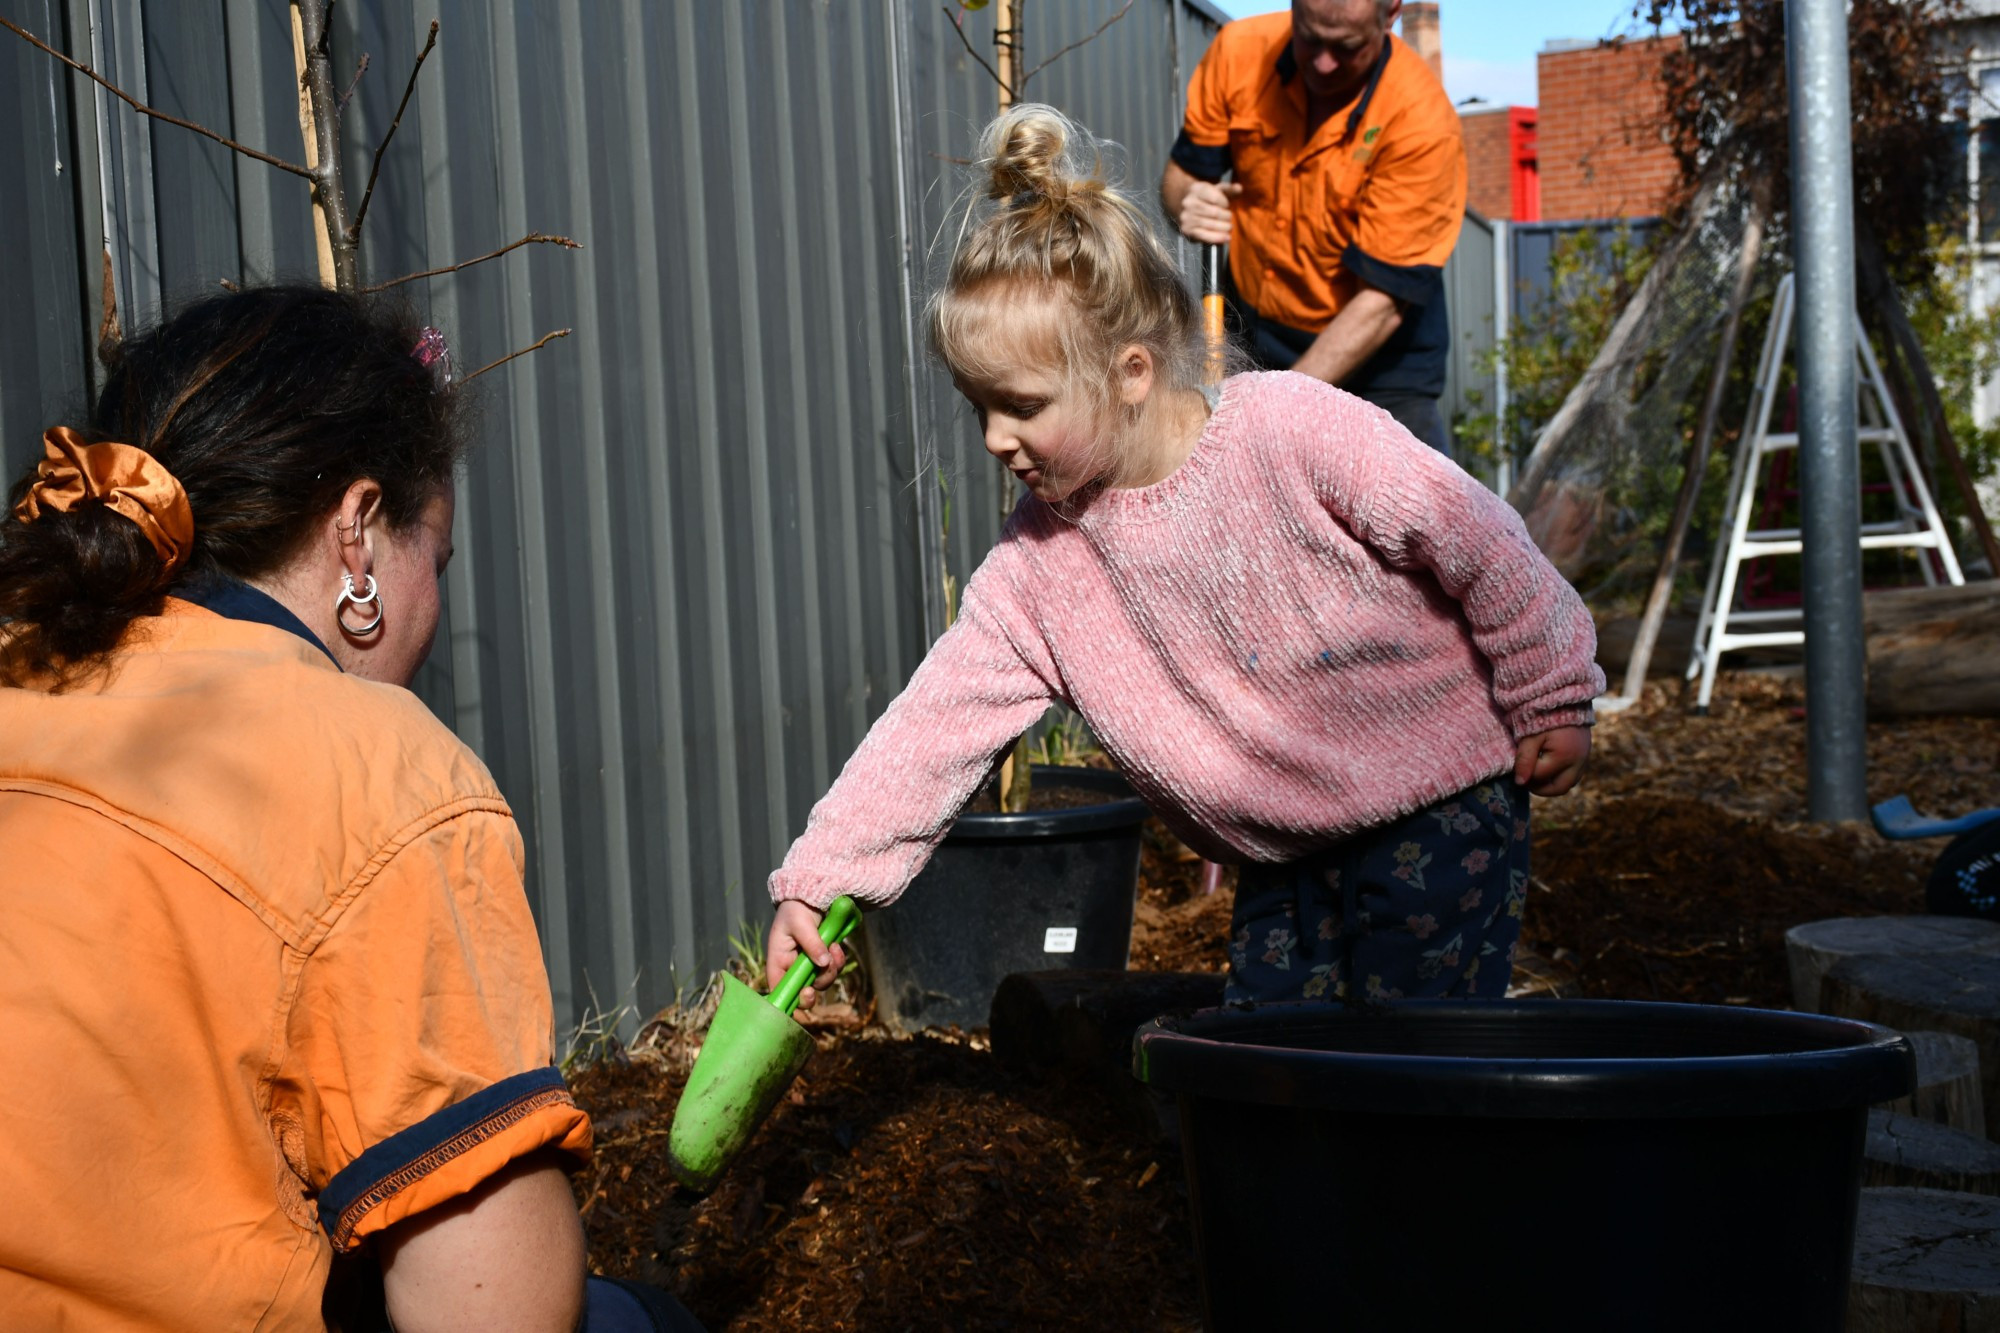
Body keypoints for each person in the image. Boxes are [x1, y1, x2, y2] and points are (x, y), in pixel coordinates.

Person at [766, 105, 1599, 1011]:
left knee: (1415, 1070)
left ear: (1131, 372)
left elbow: (1472, 533)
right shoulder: (1039, 566)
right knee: (1269, 1071)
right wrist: (824, 871)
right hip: (1287, 854)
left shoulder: (1287, 428)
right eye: (979, 409)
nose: (997, 438)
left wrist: (1550, 685)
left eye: (1022, 404)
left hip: (1441, 805)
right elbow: (936, 723)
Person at [0, 287, 698, 1333]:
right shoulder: (373, 773)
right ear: (359, 538)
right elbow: (494, 1315)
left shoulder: (27, 675)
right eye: (438, 560)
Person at [1160, 0, 1466, 455]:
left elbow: (1381, 304)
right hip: (1253, 336)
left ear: (1392, 14)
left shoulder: (1422, 123)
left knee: (1415, 517)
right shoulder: (1240, 54)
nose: (1323, 63)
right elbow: (1181, 178)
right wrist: (1187, 201)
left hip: (1379, 363)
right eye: (1309, 38)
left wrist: (1273, 410)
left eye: (1346, 46)